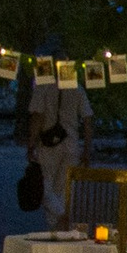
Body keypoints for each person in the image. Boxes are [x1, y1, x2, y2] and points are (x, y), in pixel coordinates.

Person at [20, 74, 92, 213]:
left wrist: (31, 144)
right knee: (63, 189)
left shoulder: (43, 87)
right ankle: (61, 220)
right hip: (71, 144)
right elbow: (88, 120)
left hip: (49, 145)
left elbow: (37, 117)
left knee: (45, 187)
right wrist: (86, 149)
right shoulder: (77, 88)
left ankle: (60, 217)